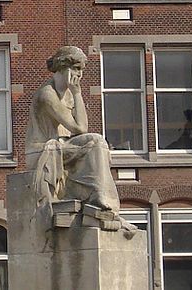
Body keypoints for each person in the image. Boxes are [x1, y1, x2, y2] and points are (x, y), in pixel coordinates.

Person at [27, 46, 121, 228]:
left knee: (98, 142)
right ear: (63, 67)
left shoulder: (68, 94)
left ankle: (101, 200)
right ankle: (101, 199)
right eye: (77, 69)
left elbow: (81, 130)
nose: (80, 74)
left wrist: (75, 94)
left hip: (63, 146)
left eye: (81, 70)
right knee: (95, 142)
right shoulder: (47, 94)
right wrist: (77, 93)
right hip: (42, 149)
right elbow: (79, 128)